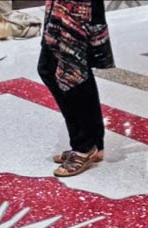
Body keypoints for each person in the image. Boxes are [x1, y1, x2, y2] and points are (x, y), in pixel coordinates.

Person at [38, 0, 115, 177]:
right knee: (69, 69)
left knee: (68, 71)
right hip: (66, 7)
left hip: (77, 8)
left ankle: (85, 146)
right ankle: (93, 142)